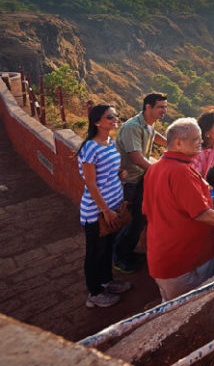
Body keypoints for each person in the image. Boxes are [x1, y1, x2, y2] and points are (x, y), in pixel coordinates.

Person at [143, 118, 214, 301]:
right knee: (189, 310)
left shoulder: (155, 168)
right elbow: (202, 213)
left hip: (165, 256)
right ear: (178, 143)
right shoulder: (181, 172)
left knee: (172, 309)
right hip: (185, 262)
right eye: (195, 139)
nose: (201, 142)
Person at [77, 104, 133, 308]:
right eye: (110, 116)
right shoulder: (89, 147)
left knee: (108, 247)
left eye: (115, 115)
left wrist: (118, 175)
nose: (114, 119)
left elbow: (104, 174)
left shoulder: (110, 142)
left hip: (113, 204)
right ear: (97, 122)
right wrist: (106, 210)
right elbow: (90, 183)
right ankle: (95, 293)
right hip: (96, 211)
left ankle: (106, 281)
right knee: (95, 251)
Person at [113, 92, 168, 273]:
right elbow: (136, 157)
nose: (164, 111)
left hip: (140, 178)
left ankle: (126, 253)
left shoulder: (148, 124)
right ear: (148, 107)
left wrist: (172, 144)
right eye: (160, 107)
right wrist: (160, 172)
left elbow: (154, 135)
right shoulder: (132, 127)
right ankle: (119, 259)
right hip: (130, 180)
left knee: (139, 219)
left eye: (165, 107)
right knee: (131, 221)